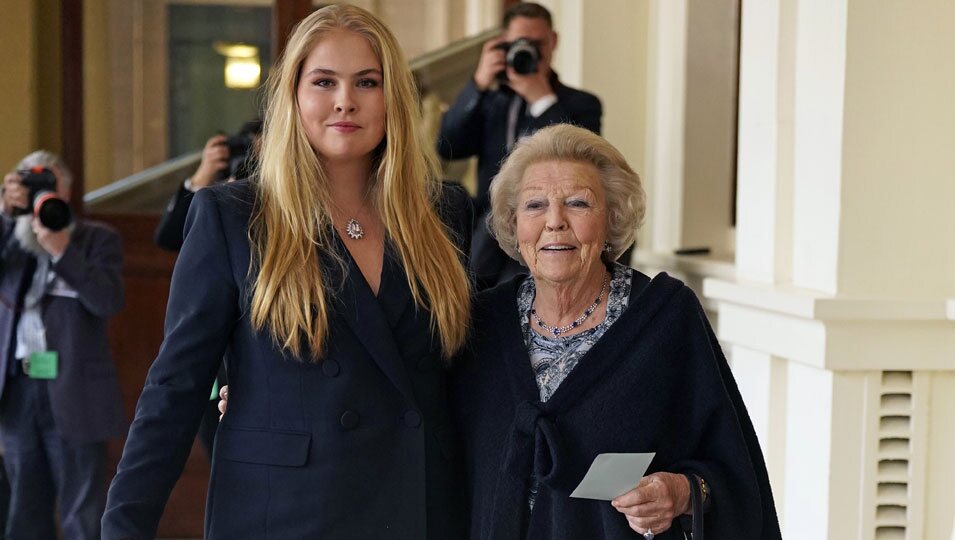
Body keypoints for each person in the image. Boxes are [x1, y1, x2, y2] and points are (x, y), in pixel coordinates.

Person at [101, 4, 472, 539]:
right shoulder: (232, 216)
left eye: (368, 82)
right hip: (284, 513)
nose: (346, 100)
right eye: (324, 81)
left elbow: (470, 373)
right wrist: (122, 528)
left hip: (417, 507)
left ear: (395, 98)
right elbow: (174, 389)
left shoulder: (445, 213)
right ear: (293, 95)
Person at [452, 124, 781, 539]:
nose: (555, 222)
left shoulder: (664, 319)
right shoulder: (481, 324)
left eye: (578, 203)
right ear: (513, 223)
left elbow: (734, 472)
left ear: (611, 218)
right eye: (535, 205)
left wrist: (679, 493)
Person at [0, 151, 125, 540]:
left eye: (50, 185)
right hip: (18, 390)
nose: (41, 196)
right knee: (23, 509)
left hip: (75, 389)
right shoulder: (10, 241)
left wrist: (60, 249)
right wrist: (5, 213)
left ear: (67, 190)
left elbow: (106, 300)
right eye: (32, 187)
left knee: (83, 511)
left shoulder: (97, 239)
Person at [437, 2, 602, 289]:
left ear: (553, 42)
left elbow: (581, 163)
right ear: (503, 45)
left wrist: (543, 102)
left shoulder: (581, 105)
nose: (528, 52)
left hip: (548, 226)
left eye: (536, 44)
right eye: (518, 44)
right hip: (488, 228)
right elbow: (447, 146)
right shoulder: (491, 102)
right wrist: (477, 84)